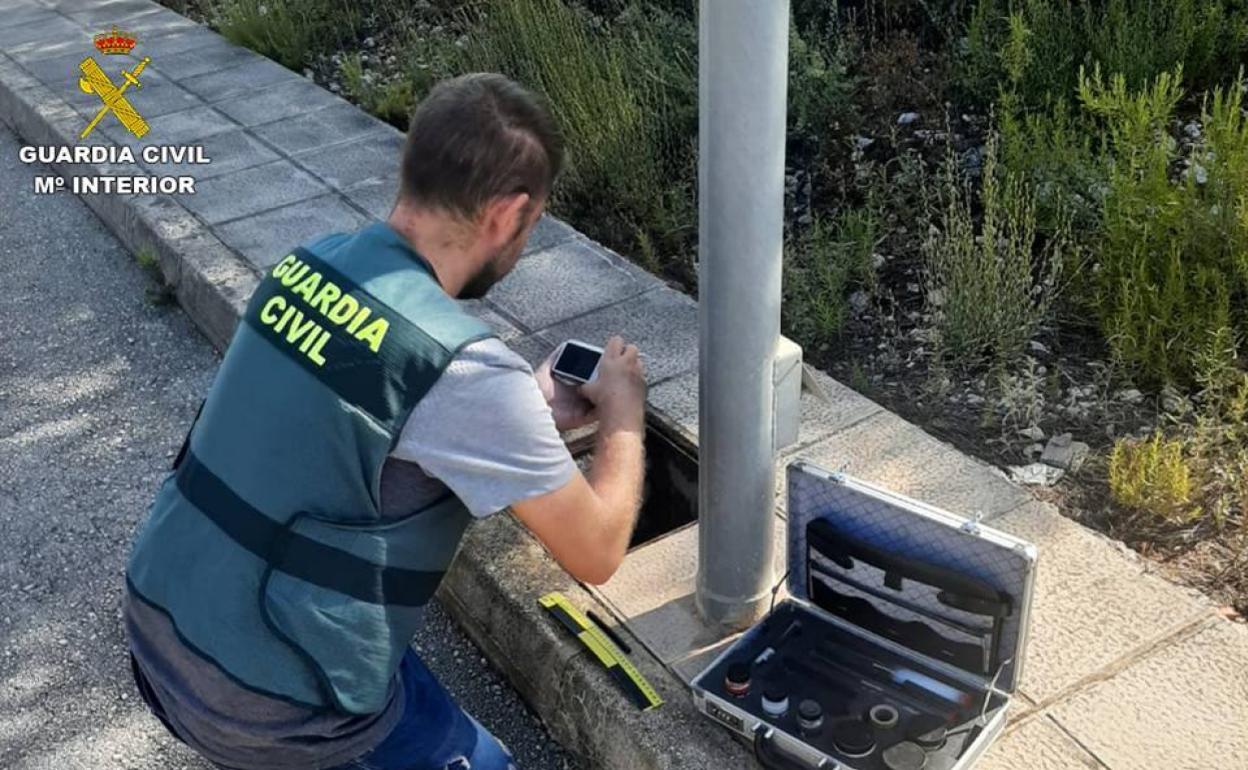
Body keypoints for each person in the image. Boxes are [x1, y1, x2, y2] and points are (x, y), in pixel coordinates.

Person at [122, 72, 646, 770]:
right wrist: (624, 415)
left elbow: (371, 422)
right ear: (506, 215)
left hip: (162, 621)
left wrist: (523, 412)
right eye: (532, 224)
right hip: (267, 702)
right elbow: (599, 551)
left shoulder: (305, 266)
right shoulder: (468, 375)